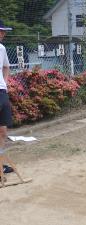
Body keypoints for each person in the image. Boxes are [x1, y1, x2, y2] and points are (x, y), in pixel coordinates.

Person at [0, 19, 24, 186]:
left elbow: (6, 66)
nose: (3, 34)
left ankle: (0, 164)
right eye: (1, 31)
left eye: (4, 31)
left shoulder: (1, 48)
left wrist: (5, 82)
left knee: (2, 131)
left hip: (1, 92)